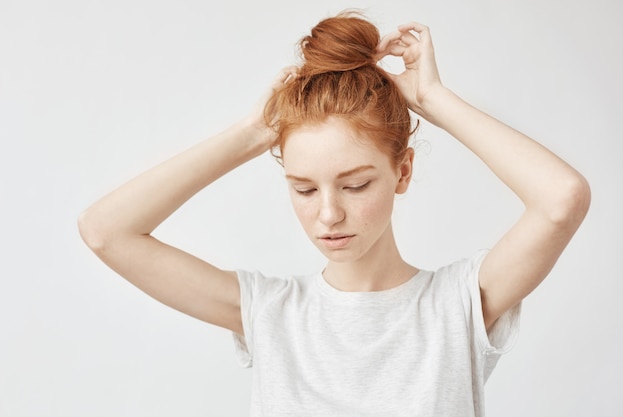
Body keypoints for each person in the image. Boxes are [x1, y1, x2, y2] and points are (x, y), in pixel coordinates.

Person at [78, 12, 590, 417]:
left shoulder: (458, 306)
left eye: (356, 184)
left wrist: (433, 99)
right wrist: (254, 133)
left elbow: (561, 199)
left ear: (403, 172)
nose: (328, 214)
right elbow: (105, 231)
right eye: (303, 189)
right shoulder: (270, 313)